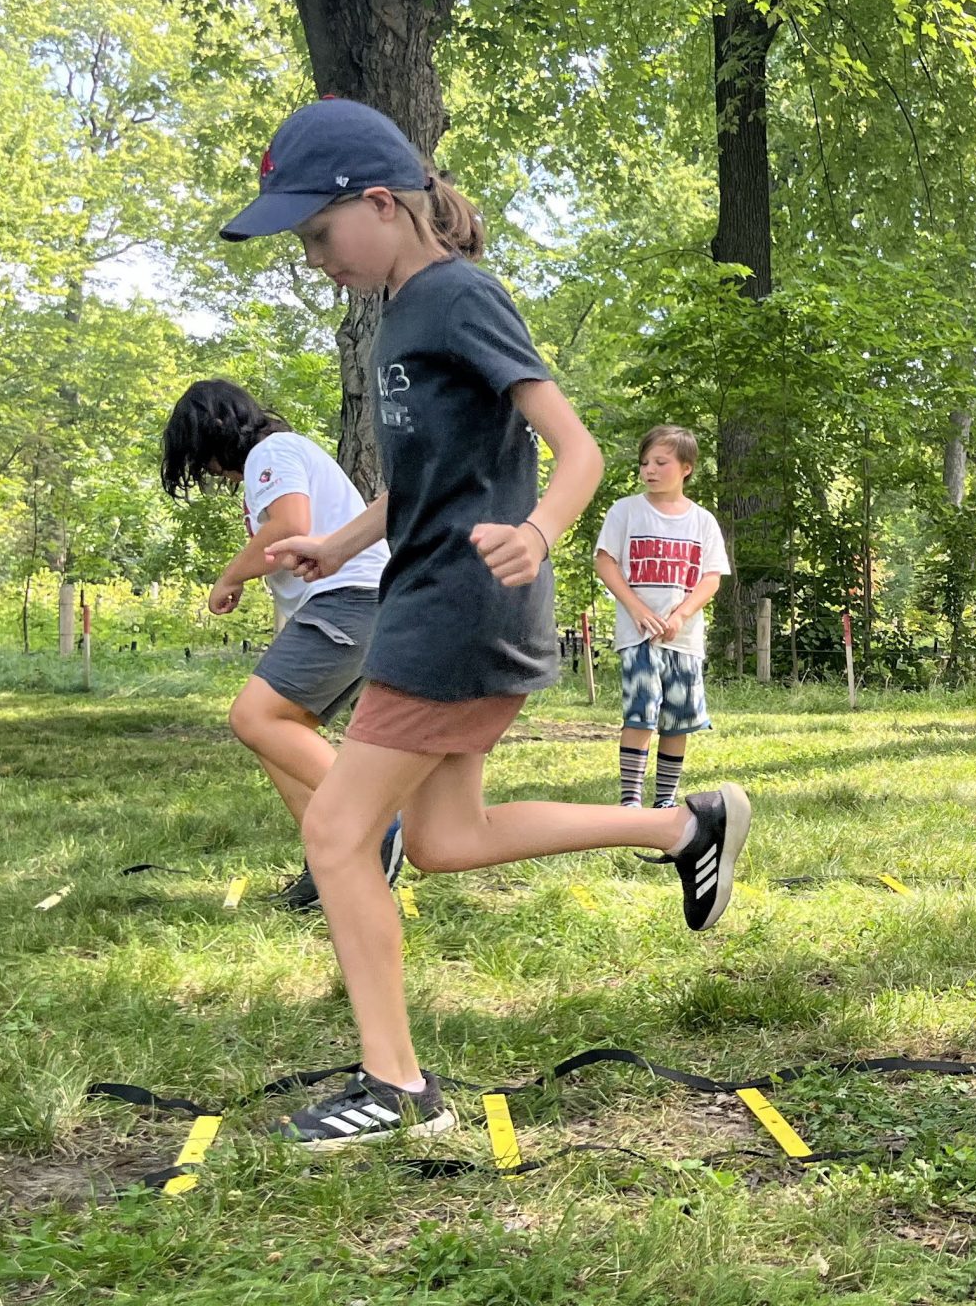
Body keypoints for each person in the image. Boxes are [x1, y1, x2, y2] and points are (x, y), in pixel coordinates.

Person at [220, 97, 750, 1146]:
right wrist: (337, 542)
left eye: (319, 233)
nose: (315, 258)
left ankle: (397, 1089)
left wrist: (543, 532)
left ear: (382, 203)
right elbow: (428, 479)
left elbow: (578, 448)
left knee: (336, 831)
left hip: (461, 607)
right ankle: (683, 826)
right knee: (445, 838)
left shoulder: (458, 296)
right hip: (427, 595)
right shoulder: (399, 314)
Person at [157, 378, 404, 908]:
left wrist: (229, 576)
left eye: (203, 459)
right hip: (353, 603)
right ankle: (330, 861)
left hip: (348, 599)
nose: (211, 472)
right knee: (276, 735)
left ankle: (374, 821)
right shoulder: (278, 456)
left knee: (253, 717)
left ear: (217, 431)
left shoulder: (271, 451)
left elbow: (291, 525)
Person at [594, 425, 730, 808]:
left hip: (684, 640)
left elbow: (711, 577)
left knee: (678, 720)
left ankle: (665, 802)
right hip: (639, 636)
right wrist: (637, 609)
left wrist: (682, 615)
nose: (649, 470)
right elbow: (605, 562)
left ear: (686, 468)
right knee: (641, 713)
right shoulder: (626, 511)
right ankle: (631, 801)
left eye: (660, 462)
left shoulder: (702, 521)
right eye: (644, 463)